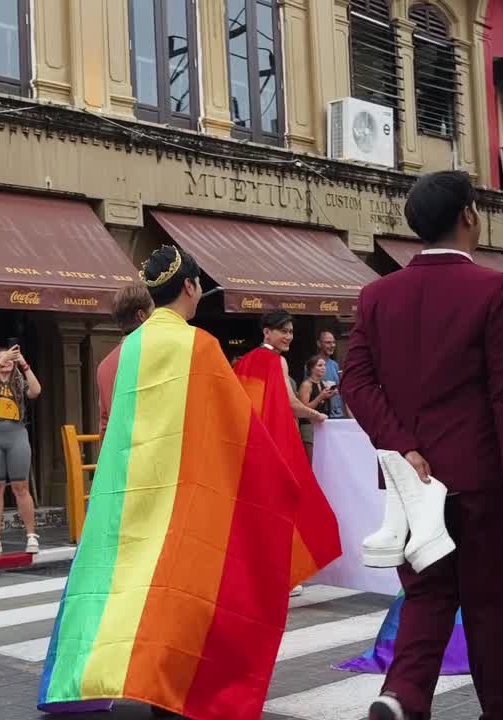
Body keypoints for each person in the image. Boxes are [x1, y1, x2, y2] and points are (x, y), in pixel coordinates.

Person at [37, 246, 318, 720]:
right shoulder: (198, 345)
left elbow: (121, 432)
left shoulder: (127, 352)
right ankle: (173, 690)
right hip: (184, 493)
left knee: (129, 590)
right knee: (181, 596)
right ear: (189, 287)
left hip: (131, 494)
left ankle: (128, 678)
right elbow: (235, 427)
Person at [342, 171, 503, 720]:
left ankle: (403, 696)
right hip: (482, 482)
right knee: (489, 609)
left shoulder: (378, 295)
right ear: (469, 216)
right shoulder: (495, 287)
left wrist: (403, 446)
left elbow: (356, 382)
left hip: (412, 484)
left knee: (428, 596)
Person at [233, 314, 340, 599]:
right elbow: (291, 404)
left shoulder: (244, 363)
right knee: (287, 510)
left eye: (291, 331)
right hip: (277, 446)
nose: (289, 336)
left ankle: (259, 574)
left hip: (252, 450)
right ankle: (285, 576)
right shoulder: (276, 361)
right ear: (267, 332)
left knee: (256, 513)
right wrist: (316, 414)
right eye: (283, 331)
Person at [0, 343, 41, 555]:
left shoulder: (19, 381)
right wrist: (0, 361)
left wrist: (23, 364)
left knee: (20, 487)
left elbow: (36, 391)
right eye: (2, 360)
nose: (6, 363)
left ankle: (31, 535)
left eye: (9, 360)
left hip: (16, 435)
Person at [97, 283, 153, 437]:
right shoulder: (154, 355)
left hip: (121, 456)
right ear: (142, 316)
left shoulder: (104, 366)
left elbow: (105, 426)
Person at [309, 329, 345, 418]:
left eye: (333, 342)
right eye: (328, 343)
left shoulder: (335, 364)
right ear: (319, 344)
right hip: (323, 415)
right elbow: (308, 390)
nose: (332, 345)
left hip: (338, 414)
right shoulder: (312, 364)